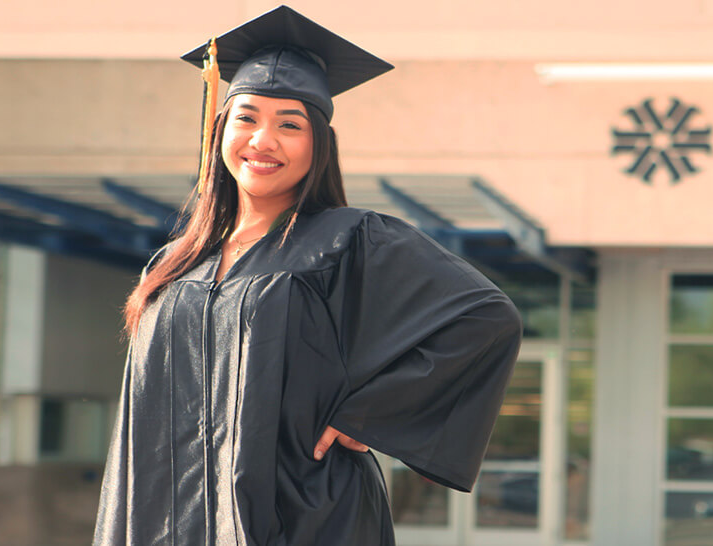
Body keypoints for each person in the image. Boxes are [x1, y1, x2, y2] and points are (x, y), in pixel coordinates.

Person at [92, 6, 523, 546]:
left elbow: (485, 317)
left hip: (307, 519)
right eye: (247, 118)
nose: (263, 140)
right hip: (171, 520)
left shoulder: (348, 240)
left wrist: (368, 415)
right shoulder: (174, 264)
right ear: (220, 129)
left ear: (319, 143)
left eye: (289, 125)